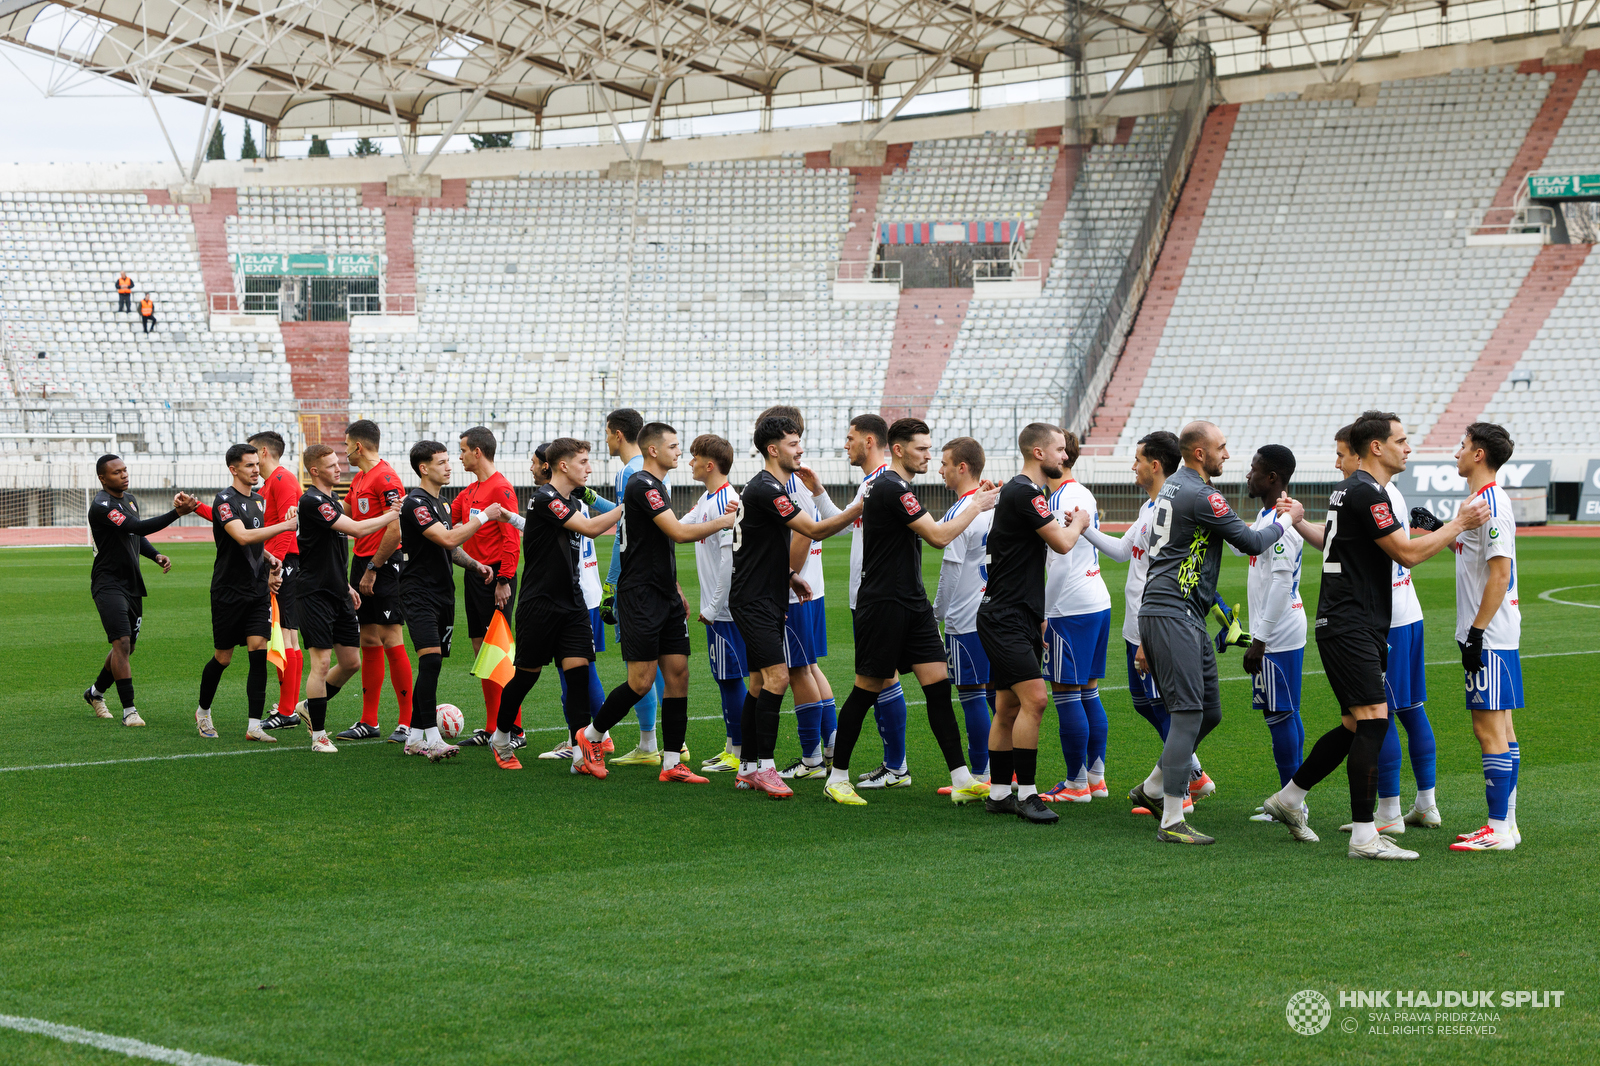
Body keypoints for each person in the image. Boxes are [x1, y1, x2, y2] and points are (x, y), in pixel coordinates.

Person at [1262, 412, 1487, 860]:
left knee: (1354, 723)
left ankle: (1288, 799)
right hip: (1350, 624)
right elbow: (1406, 553)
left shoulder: (1353, 490)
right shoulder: (1368, 492)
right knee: (1374, 721)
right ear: (1377, 448)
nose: (1409, 448)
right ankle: (1366, 835)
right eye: (1401, 440)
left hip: (1351, 622)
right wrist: (1457, 524)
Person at [1129, 421, 1303, 846]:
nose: (1228, 454)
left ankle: (1153, 787)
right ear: (1200, 454)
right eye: (1221, 448)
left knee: (1209, 713)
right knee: (1188, 713)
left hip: (1180, 613)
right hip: (1173, 615)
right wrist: (1288, 519)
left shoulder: (1173, 487)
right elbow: (1250, 541)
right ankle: (1171, 819)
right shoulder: (1203, 493)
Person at [822, 417, 998, 807]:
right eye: (921, 449)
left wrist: (972, 502)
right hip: (883, 604)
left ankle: (961, 778)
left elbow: (934, 526)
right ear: (898, 449)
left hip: (912, 603)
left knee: (938, 685)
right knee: (866, 688)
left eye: (930, 449)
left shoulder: (898, 487)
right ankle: (837, 778)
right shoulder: (890, 486)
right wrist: (977, 504)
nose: (928, 456)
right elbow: (937, 536)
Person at [569, 423, 739, 783]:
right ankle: (591, 736)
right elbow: (677, 532)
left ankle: (673, 761)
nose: (680, 452)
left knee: (678, 674)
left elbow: (657, 544)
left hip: (664, 595)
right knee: (641, 681)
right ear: (652, 450)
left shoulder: (656, 486)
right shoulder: (642, 484)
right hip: (640, 596)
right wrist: (724, 521)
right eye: (674, 446)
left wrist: (674, 586)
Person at [1316, 424, 1440, 834]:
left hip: (1384, 619)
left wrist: (1451, 527)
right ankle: (1425, 803)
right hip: (1405, 613)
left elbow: (1402, 553)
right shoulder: (1375, 493)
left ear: (1361, 452)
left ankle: (1387, 813)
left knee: (1376, 715)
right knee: (1410, 710)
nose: (1339, 463)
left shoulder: (1373, 492)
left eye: (1341, 454)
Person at [728, 415, 860, 797]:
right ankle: (766, 768)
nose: (800, 448)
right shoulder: (769, 489)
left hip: (764, 593)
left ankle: (748, 766)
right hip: (755, 601)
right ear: (773, 449)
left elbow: (758, 547)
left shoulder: (771, 486)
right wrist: (860, 504)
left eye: (800, 441)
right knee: (778, 678)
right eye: (792, 443)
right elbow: (815, 530)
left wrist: (788, 575)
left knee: (758, 683)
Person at [1080, 431, 1206, 817]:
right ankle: (1196, 774)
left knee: (1166, 709)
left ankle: (1180, 790)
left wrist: (1149, 642)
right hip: (1137, 627)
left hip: (1153, 629)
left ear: (1155, 465)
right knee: (1145, 705)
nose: (1132, 466)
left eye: (1137, 460)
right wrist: (1082, 527)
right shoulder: (1149, 508)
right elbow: (1121, 551)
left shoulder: (1168, 513)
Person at [485, 438, 623, 772]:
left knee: (577, 676)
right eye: (583, 462)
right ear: (562, 465)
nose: (589, 468)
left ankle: (580, 756)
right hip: (539, 603)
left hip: (572, 601)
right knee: (526, 677)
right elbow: (590, 529)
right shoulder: (545, 497)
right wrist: (628, 503)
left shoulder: (572, 497)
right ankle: (501, 738)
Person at [976, 423, 1086, 824]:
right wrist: (1081, 522)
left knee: (1006, 706)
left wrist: (1036, 616)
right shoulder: (1025, 491)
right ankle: (1027, 794)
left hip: (1015, 613)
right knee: (1036, 700)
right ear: (1038, 453)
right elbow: (1062, 543)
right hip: (1004, 616)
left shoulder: (1027, 493)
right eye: (1059, 449)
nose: (1065, 456)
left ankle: (1000, 793)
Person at [293, 443, 400, 753]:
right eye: (330, 465)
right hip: (314, 593)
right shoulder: (313, 501)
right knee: (322, 662)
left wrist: (346, 586)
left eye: (337, 462)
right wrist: (389, 514)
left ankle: (309, 705)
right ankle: (319, 736)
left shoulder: (333, 499)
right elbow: (355, 529)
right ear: (314, 471)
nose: (338, 468)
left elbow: (335, 553)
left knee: (351, 662)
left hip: (337, 591)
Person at [754, 405, 839, 782]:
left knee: (797, 670)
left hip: (795, 592)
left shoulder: (788, 484)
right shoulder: (792, 482)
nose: (799, 448)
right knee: (809, 667)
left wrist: (789, 577)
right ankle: (831, 745)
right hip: (812, 588)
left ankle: (811, 759)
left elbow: (804, 532)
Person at [1449, 423, 1523, 852]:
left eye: (1462, 446)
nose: (1456, 453)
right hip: (1498, 631)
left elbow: (1500, 573)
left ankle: (1496, 829)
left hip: (1489, 633)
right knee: (1505, 728)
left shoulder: (1491, 501)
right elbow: (1477, 558)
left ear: (1478, 455)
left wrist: (1476, 634)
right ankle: (1508, 823)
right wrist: (1441, 530)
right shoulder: (1479, 502)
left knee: (1488, 728)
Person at [398, 441, 496, 763]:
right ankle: (433, 738)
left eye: (448, 461)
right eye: (441, 462)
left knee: (433, 664)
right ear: (424, 468)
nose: (449, 466)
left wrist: (475, 564)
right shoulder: (416, 503)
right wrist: (484, 518)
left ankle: (413, 738)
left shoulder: (440, 504)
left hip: (442, 594)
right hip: (419, 593)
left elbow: (451, 550)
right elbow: (448, 538)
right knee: (431, 662)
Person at [194, 443, 298, 742]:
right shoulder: (224, 501)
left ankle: (254, 725)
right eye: (249, 466)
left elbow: (255, 543)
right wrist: (284, 526)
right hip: (228, 590)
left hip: (256, 590)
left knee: (258, 650)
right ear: (233, 469)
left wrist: (269, 558)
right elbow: (241, 536)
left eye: (257, 464)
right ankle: (203, 712)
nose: (256, 470)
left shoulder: (259, 501)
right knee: (223, 658)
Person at [84, 454, 198, 726]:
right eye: (116, 472)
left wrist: (155, 555)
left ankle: (95, 693)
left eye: (124, 470)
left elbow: (135, 535)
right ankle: (129, 711)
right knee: (121, 642)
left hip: (131, 583)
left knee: (128, 647)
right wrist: (176, 514)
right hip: (107, 583)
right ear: (102, 478)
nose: (123, 475)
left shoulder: (130, 499)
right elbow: (135, 526)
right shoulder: (102, 505)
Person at [835, 412, 912, 786]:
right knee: (883, 677)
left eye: (850, 438)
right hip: (866, 593)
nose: (845, 444)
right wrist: (818, 491)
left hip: (879, 595)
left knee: (879, 677)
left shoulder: (884, 483)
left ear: (869, 441)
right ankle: (895, 765)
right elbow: (846, 522)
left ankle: (896, 766)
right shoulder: (870, 482)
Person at [1233, 446, 1308, 816]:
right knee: (1286, 713)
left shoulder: (1281, 521)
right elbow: (1242, 546)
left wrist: (1259, 640)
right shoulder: (1267, 516)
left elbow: (1281, 585)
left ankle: (1291, 803)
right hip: (1278, 630)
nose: (1248, 475)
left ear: (1272, 478)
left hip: (1277, 634)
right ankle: (1293, 798)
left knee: (1279, 715)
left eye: (1254, 470)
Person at [1039, 431, 1113, 804]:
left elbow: (1062, 562)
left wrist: (1045, 613)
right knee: (1088, 689)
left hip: (1070, 605)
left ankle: (1075, 784)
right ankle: (1095, 778)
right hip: (1097, 597)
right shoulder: (1081, 492)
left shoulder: (1059, 498)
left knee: (1066, 693)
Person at [338, 420, 413, 743]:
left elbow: (395, 528)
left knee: (391, 637)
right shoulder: (360, 478)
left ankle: (408, 722)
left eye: (345, 445)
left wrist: (373, 567)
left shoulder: (386, 477)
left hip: (383, 564)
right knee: (368, 639)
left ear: (358, 446)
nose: (343, 451)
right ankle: (369, 720)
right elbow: (347, 511)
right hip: (362, 562)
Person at [602, 407, 668, 764]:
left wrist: (612, 582)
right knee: (652, 660)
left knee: (638, 663)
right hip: (653, 575)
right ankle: (667, 742)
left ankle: (647, 744)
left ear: (617, 433)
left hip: (635, 579)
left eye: (606, 433)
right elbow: (620, 513)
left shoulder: (632, 471)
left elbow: (621, 535)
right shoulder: (642, 471)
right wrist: (586, 497)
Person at [450, 426, 522, 741]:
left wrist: (504, 580)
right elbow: (450, 521)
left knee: (500, 654)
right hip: (475, 574)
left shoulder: (501, 489)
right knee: (483, 651)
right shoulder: (469, 491)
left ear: (477, 452)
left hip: (497, 578)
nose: (460, 455)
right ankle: (493, 727)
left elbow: (511, 540)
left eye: (463, 450)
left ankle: (514, 728)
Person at [931, 437, 993, 790]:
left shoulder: (962, 512)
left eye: (945, 464)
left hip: (966, 617)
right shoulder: (994, 506)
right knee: (998, 696)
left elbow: (951, 572)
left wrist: (935, 614)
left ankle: (982, 773)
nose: (940, 470)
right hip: (995, 613)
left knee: (971, 697)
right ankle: (1005, 769)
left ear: (962, 468)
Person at [685, 434, 749, 773]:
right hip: (721, 607)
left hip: (725, 609)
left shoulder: (729, 501)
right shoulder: (708, 498)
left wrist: (713, 606)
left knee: (730, 677)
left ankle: (737, 750)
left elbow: (729, 562)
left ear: (709, 465)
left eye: (694, 458)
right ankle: (732, 747)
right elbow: (679, 527)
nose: (690, 462)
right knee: (726, 676)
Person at [250, 431, 305, 732]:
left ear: (263, 451)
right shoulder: (270, 483)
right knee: (284, 635)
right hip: (280, 562)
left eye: (251, 453)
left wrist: (277, 566)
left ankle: (287, 711)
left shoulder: (283, 479)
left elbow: (288, 526)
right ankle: (289, 707)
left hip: (285, 562)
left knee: (287, 636)